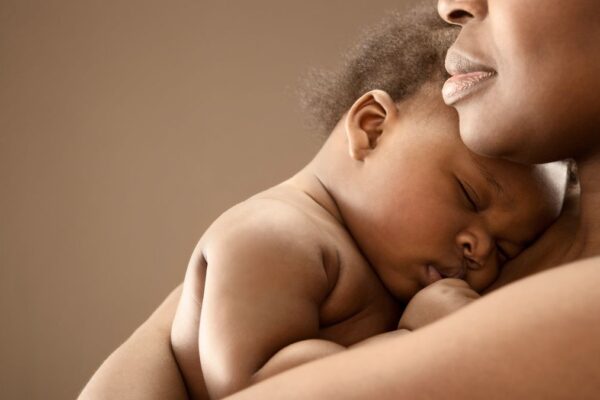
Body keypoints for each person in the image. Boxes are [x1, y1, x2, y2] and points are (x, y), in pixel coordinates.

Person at [79, 1, 600, 398]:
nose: (480, 251)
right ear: (371, 129)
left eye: (504, 250)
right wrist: (410, 338)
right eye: (466, 193)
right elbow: (237, 381)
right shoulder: (276, 235)